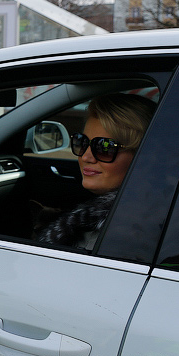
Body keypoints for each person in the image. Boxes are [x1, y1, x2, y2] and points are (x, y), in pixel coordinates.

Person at [38, 93, 156, 250]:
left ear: (143, 155)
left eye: (104, 147)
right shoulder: (156, 210)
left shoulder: (110, 236)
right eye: (82, 142)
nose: (86, 156)